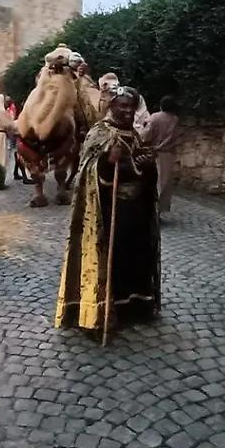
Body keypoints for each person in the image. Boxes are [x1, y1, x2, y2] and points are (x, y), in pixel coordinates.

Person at [56, 87, 161, 336]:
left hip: (135, 210)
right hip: (109, 210)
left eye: (130, 107)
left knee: (135, 258)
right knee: (112, 260)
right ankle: (102, 309)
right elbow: (88, 170)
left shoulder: (134, 134)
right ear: (112, 106)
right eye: (122, 106)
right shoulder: (99, 133)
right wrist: (106, 160)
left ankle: (134, 305)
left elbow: (140, 168)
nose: (126, 111)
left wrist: (146, 165)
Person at [144, 95, 181, 216]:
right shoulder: (175, 119)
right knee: (164, 183)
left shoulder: (154, 117)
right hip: (168, 154)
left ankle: (150, 209)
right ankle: (158, 210)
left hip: (152, 152)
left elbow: (146, 134)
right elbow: (175, 137)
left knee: (151, 181)